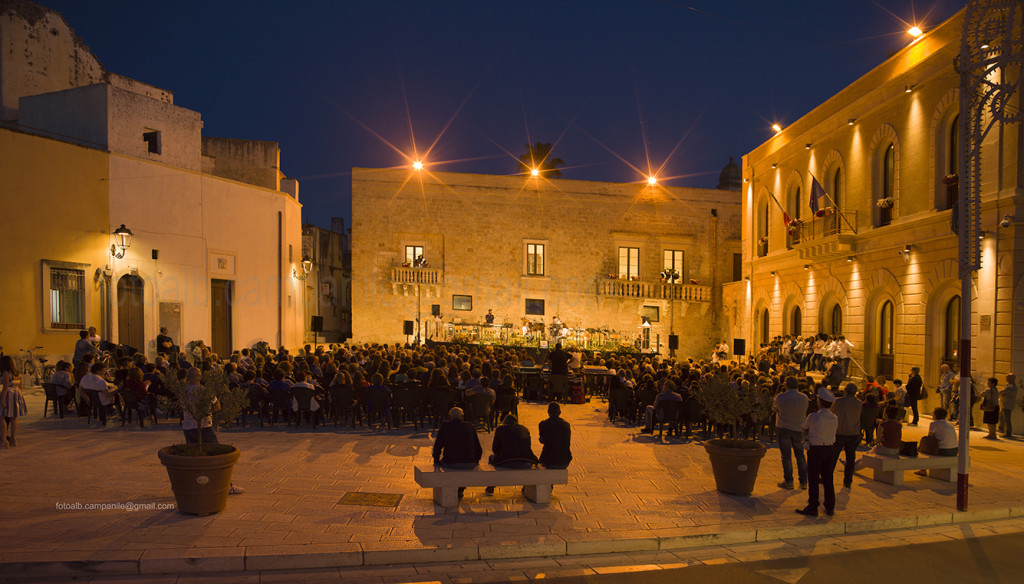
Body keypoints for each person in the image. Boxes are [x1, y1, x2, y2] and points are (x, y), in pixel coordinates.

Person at [181, 368, 242, 494]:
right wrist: (207, 413)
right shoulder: (205, 391)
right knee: (217, 457)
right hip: (204, 427)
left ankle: (191, 485)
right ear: (200, 377)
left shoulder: (183, 392)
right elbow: (217, 406)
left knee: (192, 458)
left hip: (188, 428)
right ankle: (226, 485)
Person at [797, 387, 839, 517]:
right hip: (829, 449)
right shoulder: (834, 417)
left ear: (819, 401)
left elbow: (804, 427)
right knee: (828, 478)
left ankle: (813, 506)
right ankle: (830, 505)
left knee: (814, 478)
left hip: (816, 449)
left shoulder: (815, 416)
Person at [432, 407, 483, 499]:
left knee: (449, 465)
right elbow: (478, 448)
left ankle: (453, 490)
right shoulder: (470, 426)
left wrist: (436, 460)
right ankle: (461, 489)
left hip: (450, 462)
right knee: (462, 464)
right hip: (469, 462)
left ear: (450, 416)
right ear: (462, 416)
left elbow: (438, 445)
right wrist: (476, 461)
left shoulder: (445, 426)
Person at [485, 414, 539, 495]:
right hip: (526, 462)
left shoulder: (501, 429)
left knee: (491, 458)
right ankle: (525, 486)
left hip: (507, 461)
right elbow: (528, 446)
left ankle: (491, 487)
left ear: (505, 423)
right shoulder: (525, 429)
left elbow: (495, 449)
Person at [774, 376, 809, 490]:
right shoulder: (804, 398)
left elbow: (774, 408)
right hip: (799, 428)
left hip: (784, 428)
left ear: (786, 385)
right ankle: (803, 481)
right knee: (800, 455)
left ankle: (789, 481)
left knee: (786, 456)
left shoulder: (780, 397)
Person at [831, 383, 862, 489]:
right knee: (850, 457)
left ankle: (828, 476)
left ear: (845, 391)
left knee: (833, 456)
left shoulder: (839, 401)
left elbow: (831, 411)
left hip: (840, 431)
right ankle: (848, 481)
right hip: (853, 432)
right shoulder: (859, 403)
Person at [1, 356, 27, 448]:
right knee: (14, 418)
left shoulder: (6, 373)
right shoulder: (17, 373)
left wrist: (2, 400)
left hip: (8, 394)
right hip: (17, 394)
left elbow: (5, 388)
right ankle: (13, 438)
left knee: (2, 417)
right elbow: (20, 387)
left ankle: (3, 440)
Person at [538, 402, 572, 469]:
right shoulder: (566, 425)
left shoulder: (543, 424)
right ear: (560, 412)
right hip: (564, 460)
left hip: (548, 461)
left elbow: (542, 440)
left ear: (548, 412)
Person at [999, 374, 1017, 438]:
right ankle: (1003, 431)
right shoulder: (1009, 385)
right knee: (1003, 418)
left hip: (1007, 404)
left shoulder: (1011, 385)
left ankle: (1008, 433)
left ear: (1012, 378)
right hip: (1004, 404)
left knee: (1007, 419)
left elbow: (1003, 392)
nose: (1006, 378)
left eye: (1008, 377)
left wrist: (1001, 393)